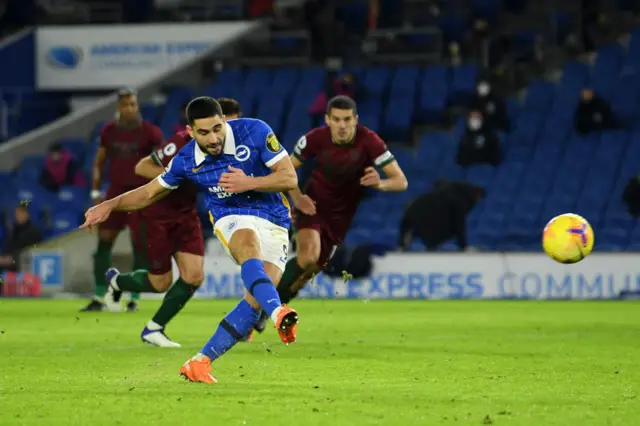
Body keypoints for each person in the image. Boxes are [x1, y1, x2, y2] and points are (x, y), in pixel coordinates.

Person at [81, 97, 299, 383]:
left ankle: (200, 362)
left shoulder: (255, 131)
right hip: (231, 215)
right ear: (190, 131)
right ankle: (278, 311)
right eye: (204, 133)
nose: (213, 138)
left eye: (217, 129)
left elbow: (289, 178)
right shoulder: (186, 159)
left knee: (255, 298)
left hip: (275, 218)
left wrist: (250, 182)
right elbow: (148, 192)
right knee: (247, 247)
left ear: (224, 121)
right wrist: (109, 205)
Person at [253, 95, 408, 333]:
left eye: (347, 119)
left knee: (308, 274)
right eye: (336, 119)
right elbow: (285, 170)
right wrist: (298, 198)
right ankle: (259, 309)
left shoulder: (370, 142)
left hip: (340, 219)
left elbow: (401, 181)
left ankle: (266, 312)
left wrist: (380, 184)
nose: (342, 125)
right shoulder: (315, 139)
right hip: (312, 208)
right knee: (308, 257)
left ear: (356, 120)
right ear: (328, 120)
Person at [80, 88, 163, 312]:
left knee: (140, 247)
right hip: (115, 194)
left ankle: (134, 298)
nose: (130, 109)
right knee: (103, 243)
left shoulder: (151, 132)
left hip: (140, 195)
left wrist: (157, 193)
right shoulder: (109, 131)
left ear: (138, 106)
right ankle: (99, 296)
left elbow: (162, 166)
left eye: (133, 104)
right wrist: (95, 193)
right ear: (119, 107)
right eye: (125, 105)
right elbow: (99, 163)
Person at [399, 180, 486, 251]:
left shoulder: (449, 191)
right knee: (448, 229)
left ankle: (405, 243)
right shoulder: (462, 201)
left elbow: (407, 218)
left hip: (420, 211)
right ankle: (418, 240)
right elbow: (459, 223)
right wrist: (463, 246)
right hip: (431, 217)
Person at [0, 202, 42, 273]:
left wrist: (11, 258)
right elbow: (9, 247)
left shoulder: (33, 231)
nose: (17, 216)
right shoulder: (15, 229)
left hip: (24, 263)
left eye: (20, 214)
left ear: (27, 214)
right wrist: (4, 258)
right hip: (12, 261)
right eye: (16, 214)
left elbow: (32, 251)